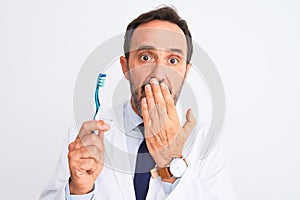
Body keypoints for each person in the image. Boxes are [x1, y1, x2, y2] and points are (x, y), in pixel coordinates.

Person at [40, 6, 236, 200]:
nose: (158, 75)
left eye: (173, 60)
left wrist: (172, 164)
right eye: (145, 57)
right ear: (126, 67)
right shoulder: (84, 134)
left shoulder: (205, 141)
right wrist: (78, 190)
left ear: (185, 72)